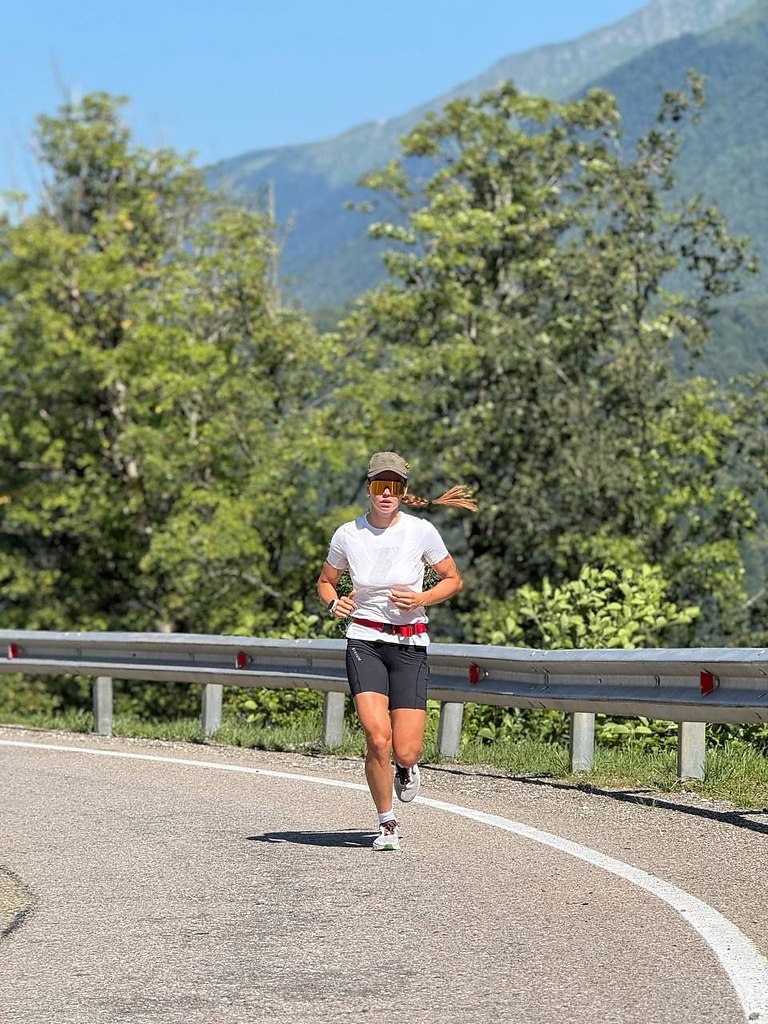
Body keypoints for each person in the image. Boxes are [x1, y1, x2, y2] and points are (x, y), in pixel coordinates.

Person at [316, 451, 477, 852]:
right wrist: (334, 602)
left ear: (403, 491)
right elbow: (325, 582)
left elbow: (452, 579)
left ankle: (406, 767)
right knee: (376, 737)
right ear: (368, 490)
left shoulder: (420, 532)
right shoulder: (347, 535)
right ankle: (387, 822)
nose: (385, 494)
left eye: (393, 487)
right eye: (377, 486)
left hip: (409, 645)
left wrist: (422, 597)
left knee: (405, 748)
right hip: (365, 642)